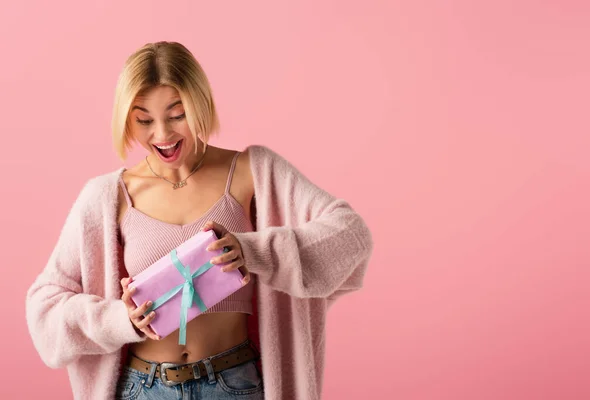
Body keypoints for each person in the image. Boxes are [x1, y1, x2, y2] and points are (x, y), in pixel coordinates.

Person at [25, 41, 374, 400]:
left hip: (235, 384)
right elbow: (44, 307)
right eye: (144, 120)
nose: (162, 135)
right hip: (143, 389)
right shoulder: (107, 196)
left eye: (177, 114)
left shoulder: (253, 172)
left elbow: (351, 235)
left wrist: (252, 251)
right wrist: (119, 320)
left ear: (200, 104)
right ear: (126, 118)